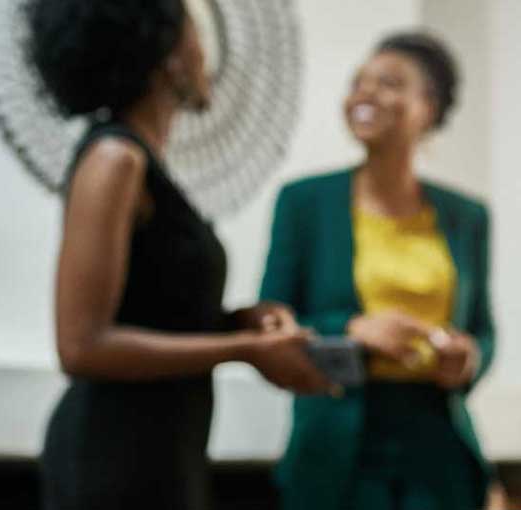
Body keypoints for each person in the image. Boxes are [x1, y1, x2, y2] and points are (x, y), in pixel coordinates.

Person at [28, 1, 328, 508]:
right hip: (113, 462)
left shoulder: (142, 165)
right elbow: (80, 345)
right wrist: (244, 350)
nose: (204, 52)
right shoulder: (114, 159)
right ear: (167, 55)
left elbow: (154, 315)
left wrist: (240, 324)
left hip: (164, 453)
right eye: (195, 32)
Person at [259, 31, 495, 510]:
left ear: (428, 108)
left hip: (438, 444)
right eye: (357, 83)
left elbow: (483, 330)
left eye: (388, 82)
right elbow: (269, 320)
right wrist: (351, 330)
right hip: (336, 443)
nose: (364, 94)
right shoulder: (305, 202)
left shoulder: (467, 216)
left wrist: (469, 357)